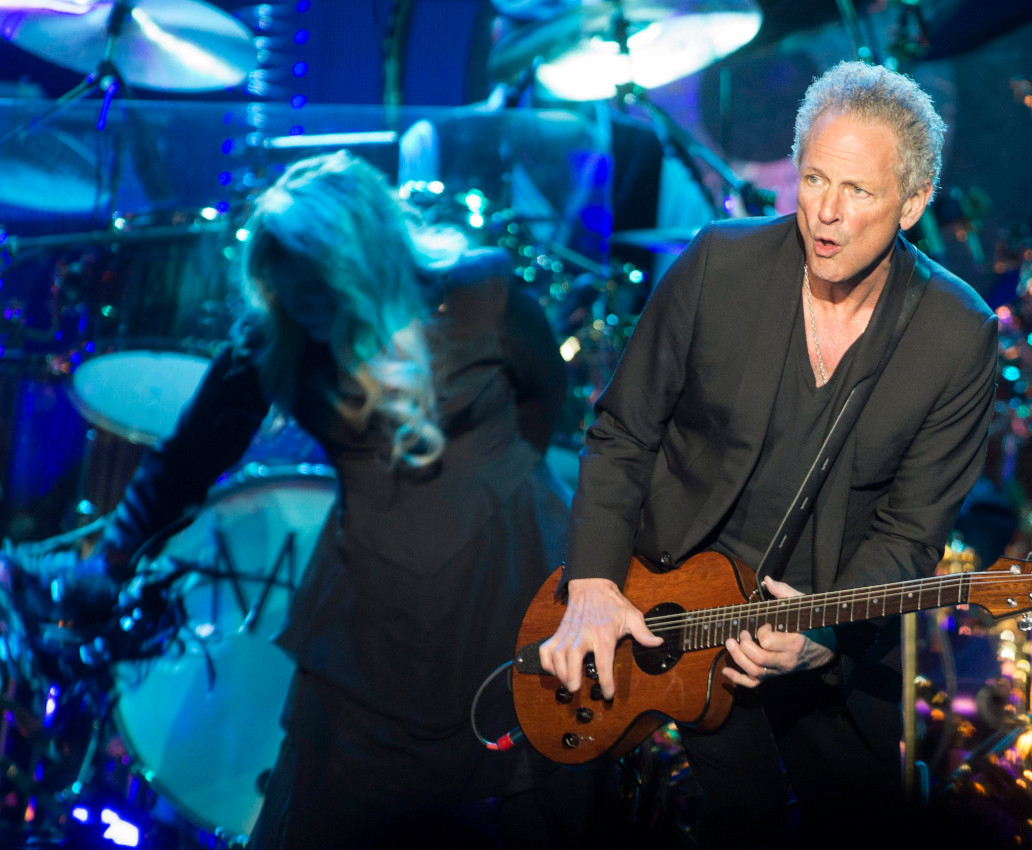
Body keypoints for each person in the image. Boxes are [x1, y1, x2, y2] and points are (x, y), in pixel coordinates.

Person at [7, 151, 601, 847]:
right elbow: (189, 458)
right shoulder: (275, 337)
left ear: (364, 258)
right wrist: (104, 567)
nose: (307, 312)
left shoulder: (481, 291)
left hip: (510, 573)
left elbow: (544, 405)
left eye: (319, 291)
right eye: (289, 294)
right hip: (381, 612)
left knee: (521, 798)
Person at [537, 60, 999, 847]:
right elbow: (623, 433)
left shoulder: (958, 335)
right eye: (815, 177)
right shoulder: (719, 264)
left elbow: (909, 533)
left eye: (858, 192)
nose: (825, 212)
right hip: (675, 606)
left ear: (913, 205)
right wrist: (590, 585)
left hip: (828, 624)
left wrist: (820, 637)